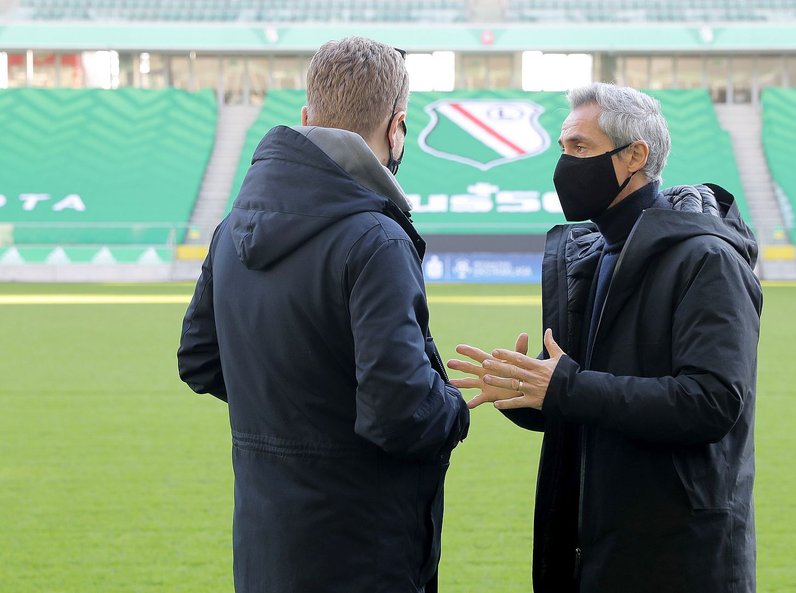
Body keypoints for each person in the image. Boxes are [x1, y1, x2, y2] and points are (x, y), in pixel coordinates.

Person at [177, 37, 469, 593]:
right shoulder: (375, 238)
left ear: (306, 117)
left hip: (267, 546)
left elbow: (199, 361)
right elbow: (400, 413)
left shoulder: (233, 226)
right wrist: (454, 408)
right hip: (363, 549)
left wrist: (290, 415)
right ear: (397, 126)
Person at [448, 82, 762, 593]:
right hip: (589, 546)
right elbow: (596, 395)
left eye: (580, 148)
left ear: (635, 155)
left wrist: (565, 387)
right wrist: (533, 395)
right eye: (563, 148)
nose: (565, 165)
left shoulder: (708, 260)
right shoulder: (593, 256)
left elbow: (711, 403)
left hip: (675, 557)